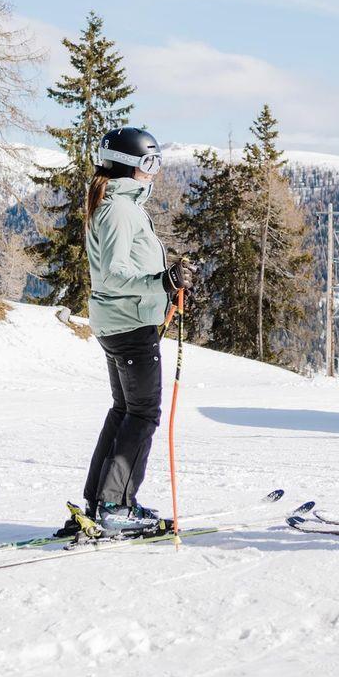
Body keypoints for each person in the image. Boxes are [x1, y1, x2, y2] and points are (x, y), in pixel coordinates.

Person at [65, 125, 194, 539]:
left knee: (125, 411)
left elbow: (126, 268)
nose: (154, 171)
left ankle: (100, 501)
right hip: (129, 325)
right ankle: (115, 507)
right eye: (150, 162)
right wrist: (161, 282)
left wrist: (166, 285)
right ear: (129, 164)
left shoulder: (116, 204)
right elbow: (114, 274)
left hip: (122, 322)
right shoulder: (120, 209)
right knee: (142, 414)